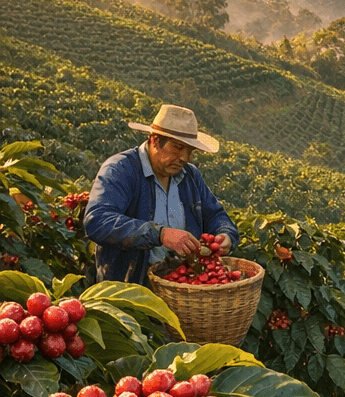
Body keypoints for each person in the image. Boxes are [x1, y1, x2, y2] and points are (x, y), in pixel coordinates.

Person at [84, 104, 239, 285]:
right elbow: (97, 221)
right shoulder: (121, 169)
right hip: (130, 287)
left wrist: (226, 234)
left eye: (189, 151)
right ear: (155, 140)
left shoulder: (190, 176)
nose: (185, 158)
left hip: (181, 286)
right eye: (178, 148)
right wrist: (160, 234)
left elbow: (214, 214)